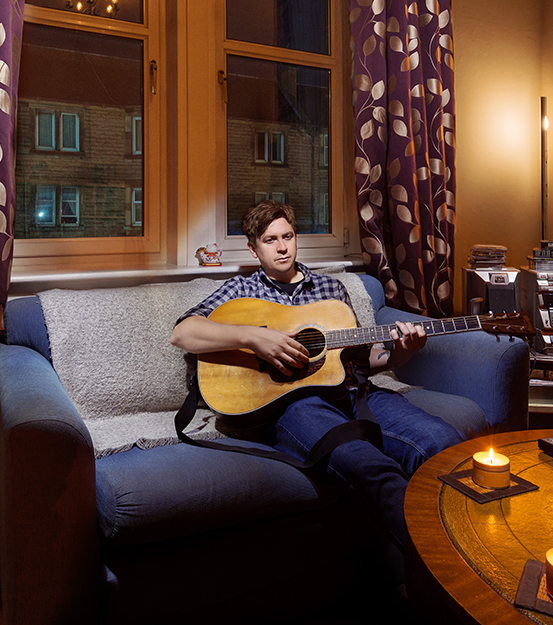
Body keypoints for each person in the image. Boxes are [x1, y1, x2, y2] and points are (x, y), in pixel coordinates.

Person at [170, 199, 462, 547]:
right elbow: (183, 333)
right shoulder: (242, 291)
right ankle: (440, 569)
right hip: (294, 406)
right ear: (253, 249)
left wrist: (402, 353)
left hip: (355, 393)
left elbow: (365, 362)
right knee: (371, 469)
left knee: (443, 442)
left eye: (288, 236)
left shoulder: (332, 291)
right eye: (270, 240)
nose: (282, 247)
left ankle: (476, 553)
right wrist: (254, 337)